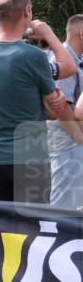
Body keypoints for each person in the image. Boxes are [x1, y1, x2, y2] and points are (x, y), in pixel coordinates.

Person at [0, 0, 76, 203]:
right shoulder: (33, 56)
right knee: (32, 229)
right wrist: (49, 35)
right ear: (27, 11)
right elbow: (66, 74)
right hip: (30, 158)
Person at [45, 14, 83, 210]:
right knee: (63, 206)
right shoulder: (64, 59)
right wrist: (78, 137)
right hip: (66, 141)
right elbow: (60, 106)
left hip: (71, 140)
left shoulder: (74, 58)